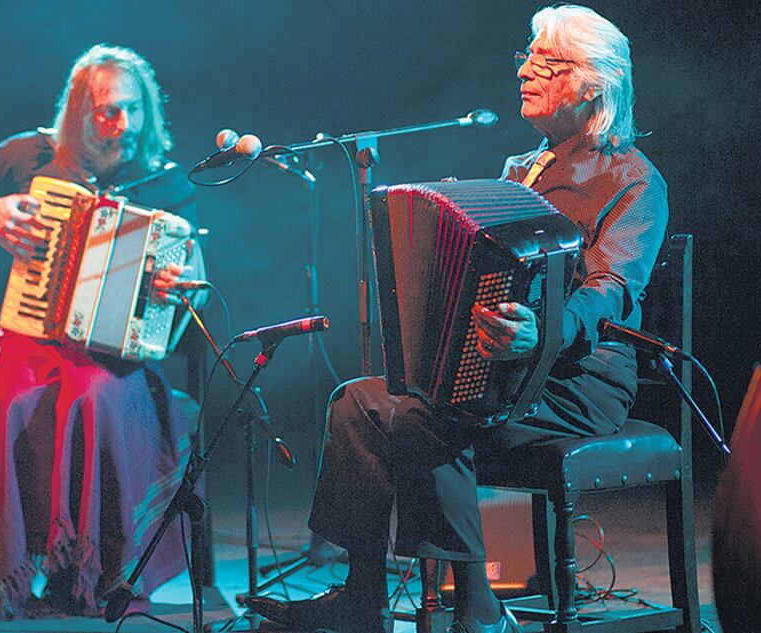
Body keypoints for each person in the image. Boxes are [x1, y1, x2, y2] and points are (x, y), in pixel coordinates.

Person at [246, 5, 669, 633]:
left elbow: (611, 290)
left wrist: (541, 333)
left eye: (545, 61)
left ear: (590, 83)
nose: (526, 70)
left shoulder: (632, 179)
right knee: (355, 402)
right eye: (527, 55)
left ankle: (478, 608)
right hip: (497, 372)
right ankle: (361, 599)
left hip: (577, 381)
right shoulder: (521, 170)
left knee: (428, 414)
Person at [0, 44, 206, 620]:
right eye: (107, 111)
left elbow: (197, 290)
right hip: (31, 334)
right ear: (78, 114)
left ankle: (96, 575)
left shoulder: (164, 185)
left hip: (113, 351)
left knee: (98, 397)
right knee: (8, 394)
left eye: (133, 110)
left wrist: (172, 290)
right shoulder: (32, 154)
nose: (123, 124)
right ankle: (0, 578)